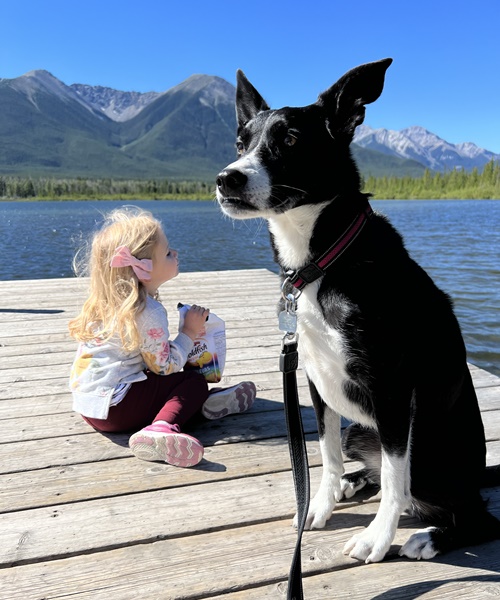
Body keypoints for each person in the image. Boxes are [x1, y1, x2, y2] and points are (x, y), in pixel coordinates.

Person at [69, 207, 256, 468]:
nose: (175, 254)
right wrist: (189, 333)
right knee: (193, 382)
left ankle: (198, 405)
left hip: (90, 407)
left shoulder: (104, 303)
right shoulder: (148, 312)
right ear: (143, 269)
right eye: (168, 253)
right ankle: (161, 428)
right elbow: (165, 366)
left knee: (169, 383)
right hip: (118, 410)